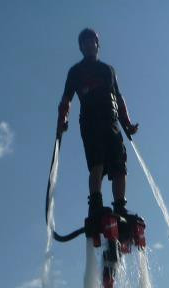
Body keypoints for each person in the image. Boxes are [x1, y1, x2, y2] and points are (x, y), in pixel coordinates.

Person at [57, 28, 139, 228]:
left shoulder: (107, 70)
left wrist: (126, 122)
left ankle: (120, 206)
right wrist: (62, 119)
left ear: (97, 44)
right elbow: (66, 99)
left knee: (119, 163)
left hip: (111, 121)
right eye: (84, 42)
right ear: (81, 47)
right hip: (90, 122)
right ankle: (96, 204)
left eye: (90, 41)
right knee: (97, 163)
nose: (88, 45)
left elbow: (119, 97)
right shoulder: (76, 72)